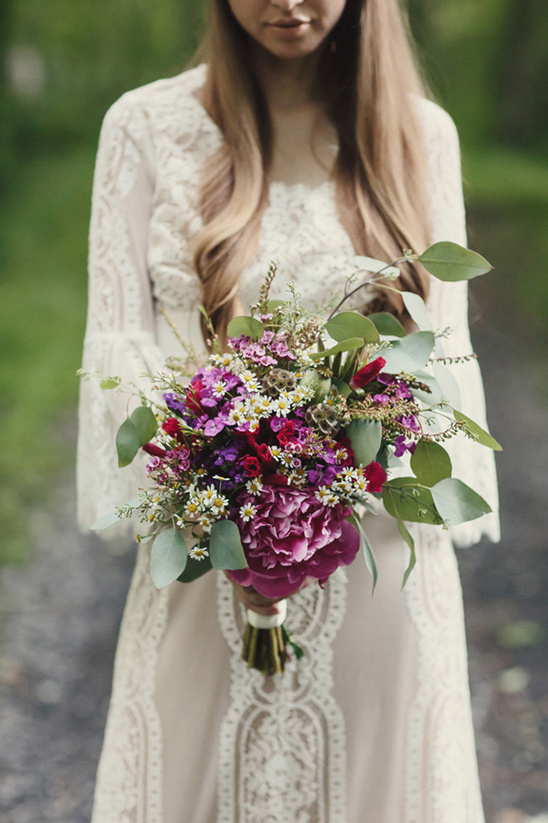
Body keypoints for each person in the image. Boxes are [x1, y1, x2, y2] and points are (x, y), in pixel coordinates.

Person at [77, 0, 500, 820]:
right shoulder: (143, 125)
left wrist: (327, 473)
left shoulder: (421, 134)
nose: (287, 1)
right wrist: (216, 477)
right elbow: (119, 342)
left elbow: (440, 350)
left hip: (373, 548)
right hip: (205, 542)